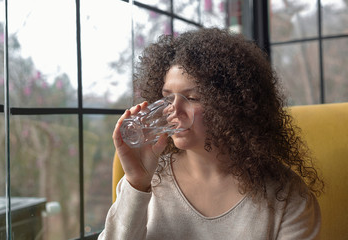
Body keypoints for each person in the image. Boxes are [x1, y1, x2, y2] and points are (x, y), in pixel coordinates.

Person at [98, 28, 324, 240]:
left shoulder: (286, 196)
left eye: (193, 98)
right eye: (167, 97)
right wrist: (137, 183)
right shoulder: (146, 183)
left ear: (232, 105)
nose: (173, 111)